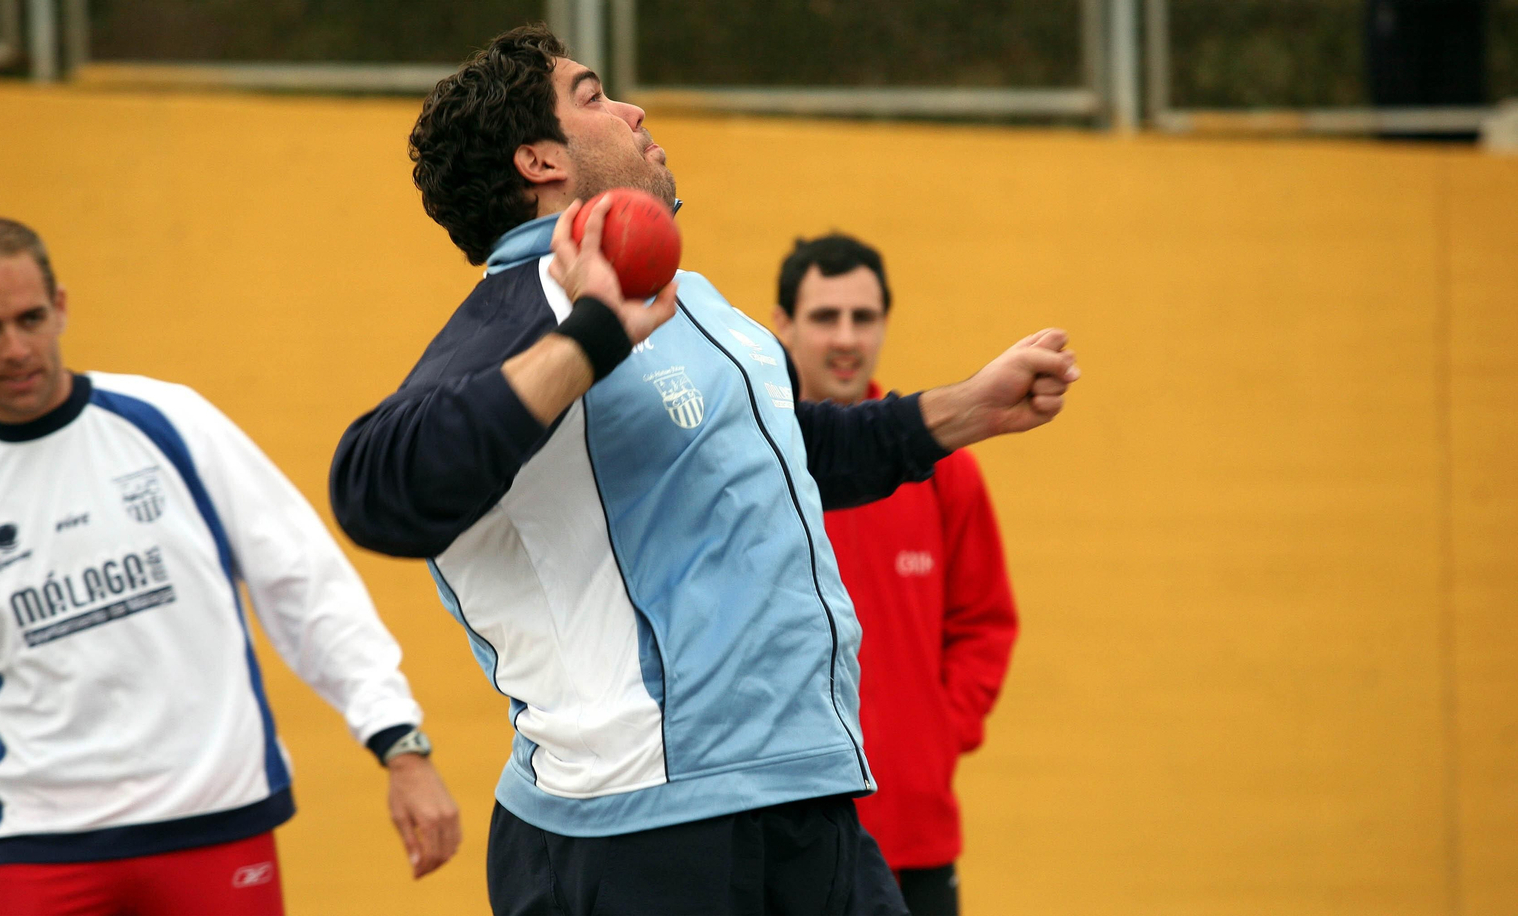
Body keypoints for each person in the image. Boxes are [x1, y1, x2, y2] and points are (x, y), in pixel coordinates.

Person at [329, 25, 1077, 916]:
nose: (632, 109)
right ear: (539, 159)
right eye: (593, 96)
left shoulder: (687, 298)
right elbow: (373, 490)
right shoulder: (513, 318)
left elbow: (780, 452)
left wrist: (962, 411)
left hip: (800, 793)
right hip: (638, 829)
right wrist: (591, 338)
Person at [0, 217, 462, 916]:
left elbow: (306, 584)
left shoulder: (171, 423)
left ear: (60, 306)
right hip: (46, 846)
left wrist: (401, 746)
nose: (16, 348)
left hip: (217, 831)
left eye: (29, 318)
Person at [774, 234, 1019, 916]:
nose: (846, 337)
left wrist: (937, 736)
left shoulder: (944, 469)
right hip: (789, 839)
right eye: (825, 317)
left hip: (916, 836)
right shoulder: (755, 466)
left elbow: (985, 622)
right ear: (782, 325)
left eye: (864, 317)